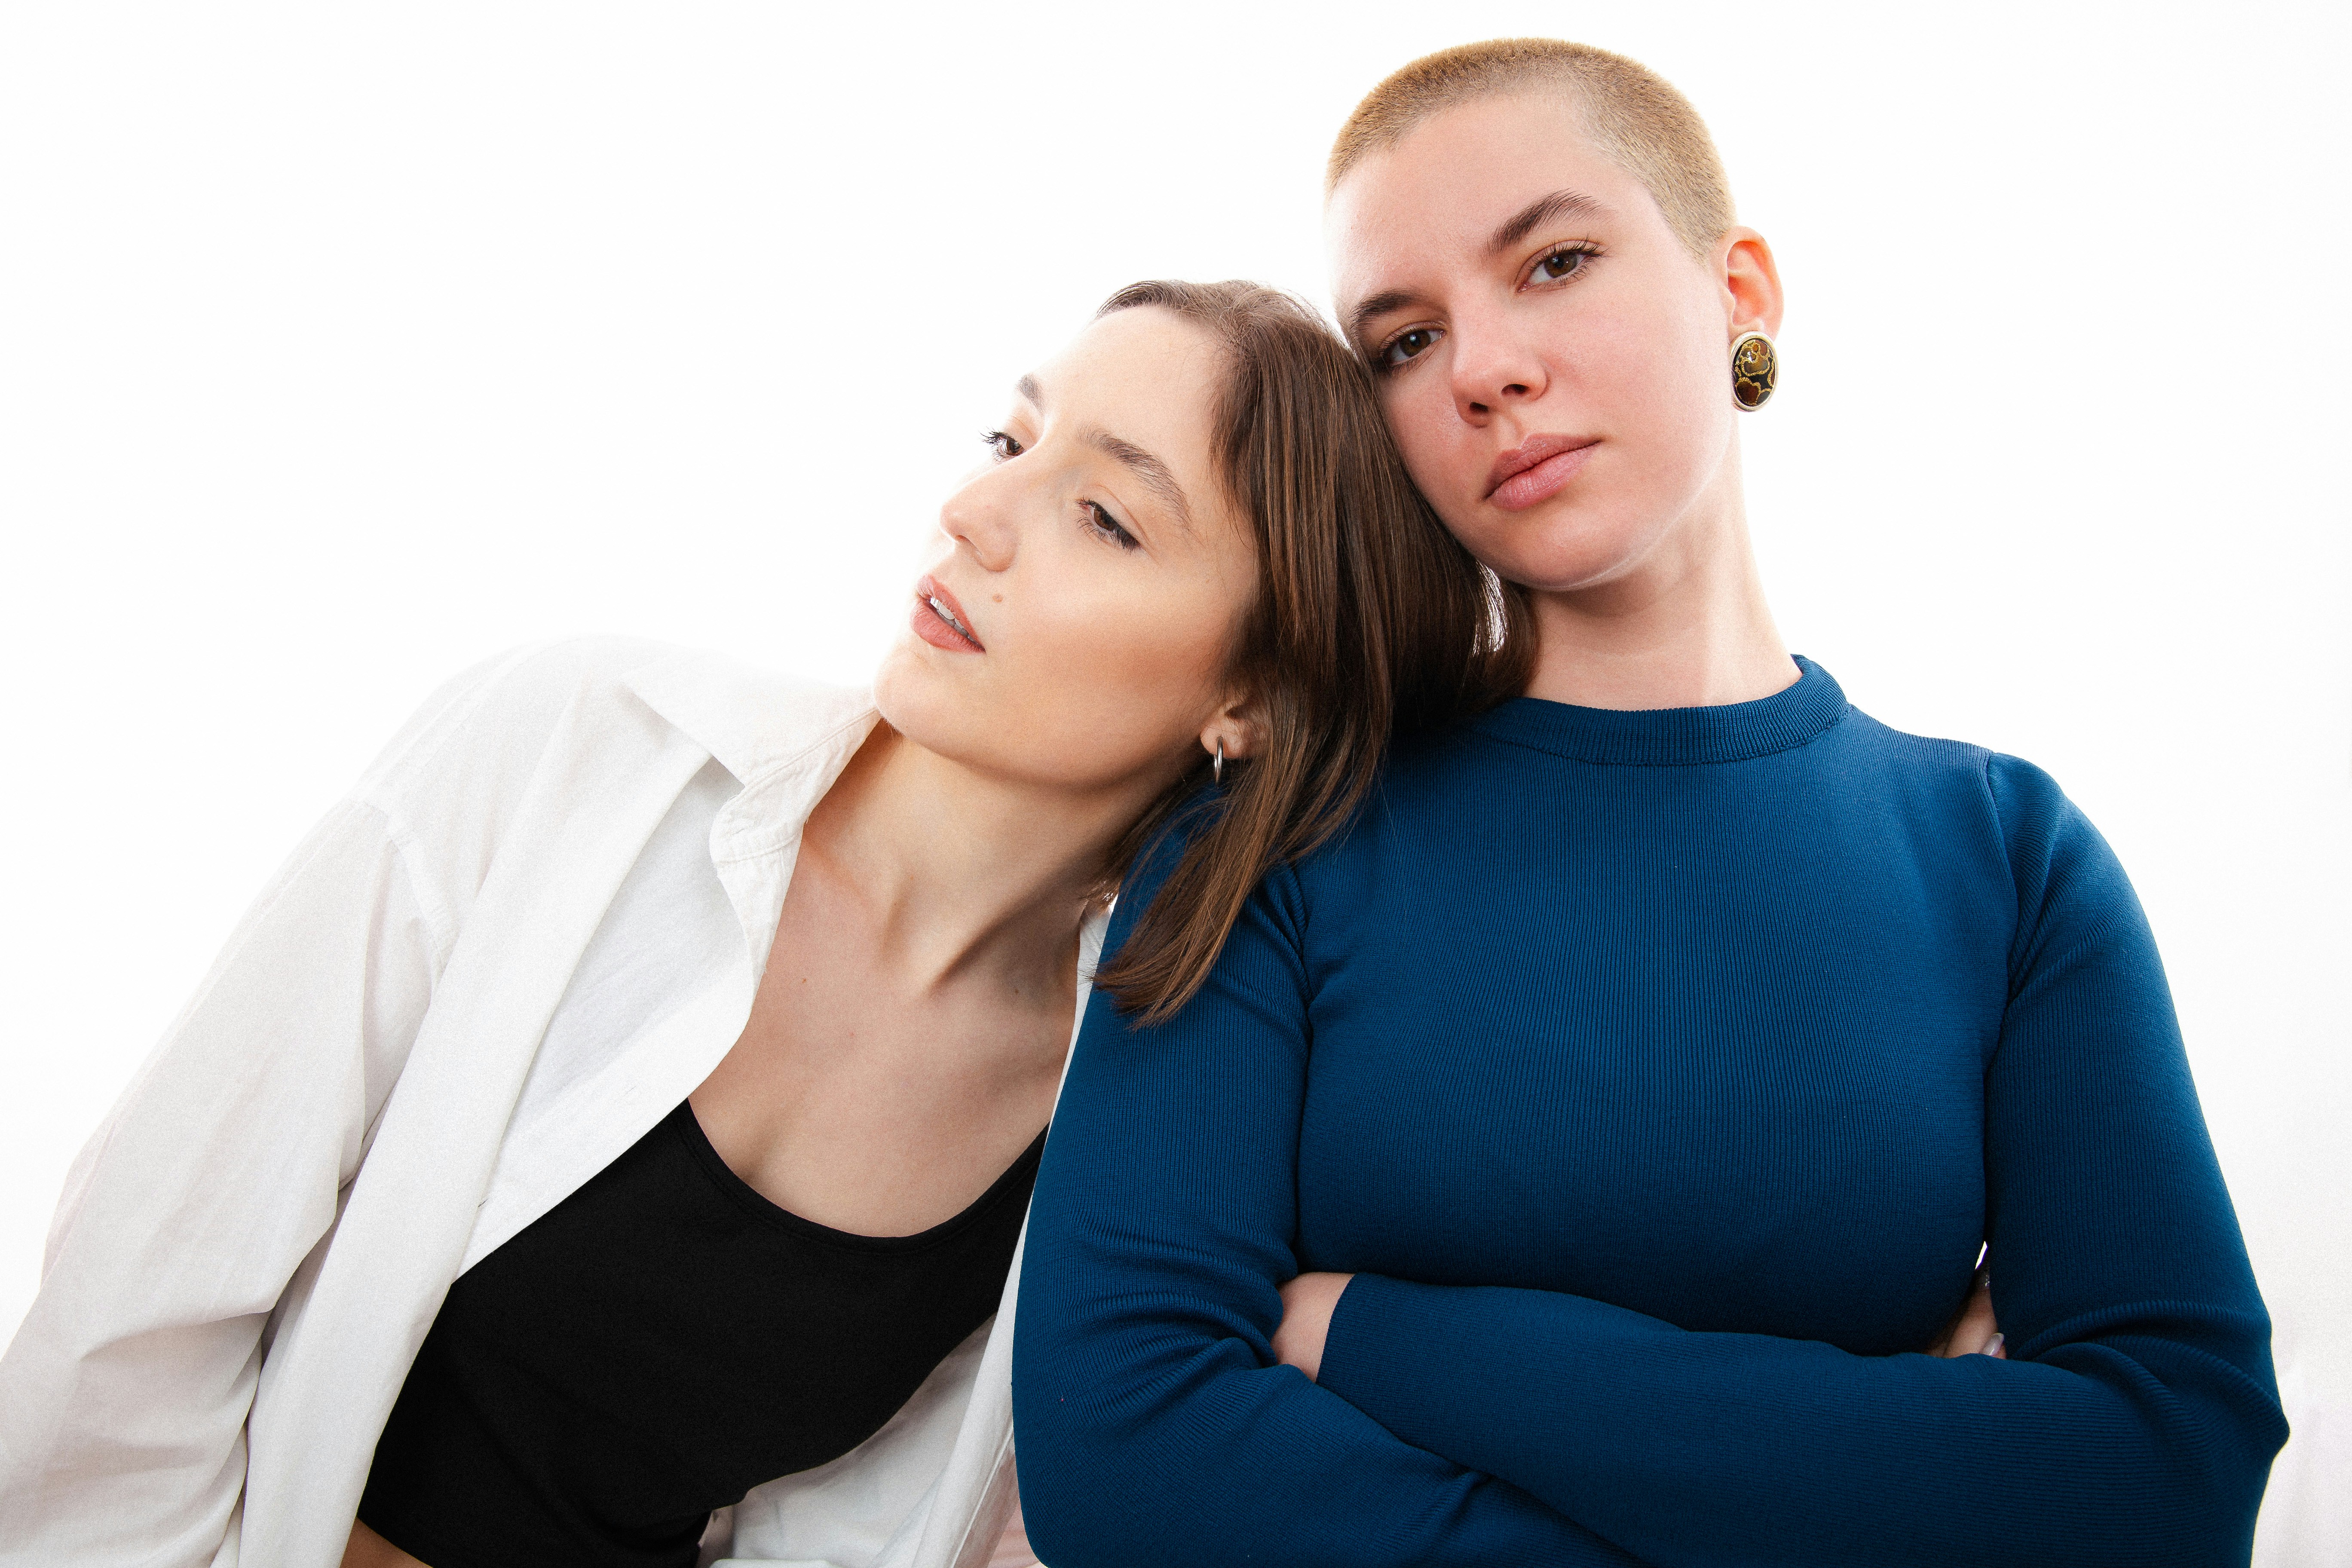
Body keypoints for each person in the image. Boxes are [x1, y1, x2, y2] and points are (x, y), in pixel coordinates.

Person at [0, 280, 1517, 1568]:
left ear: (1251, 701)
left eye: (1104, 517)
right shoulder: (574, 747)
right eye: (1009, 438)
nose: (976, 511)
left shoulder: (1112, 1115)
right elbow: (140, 1299)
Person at [1013, 39, 2288, 1568]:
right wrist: (1882, 1485)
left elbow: (2163, 1472)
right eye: (1405, 341)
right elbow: (1125, 1457)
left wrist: (1375, 1337)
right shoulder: (1276, 843)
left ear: (1739, 290)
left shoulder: (2009, 861)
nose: (1482, 368)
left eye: (1553, 262)